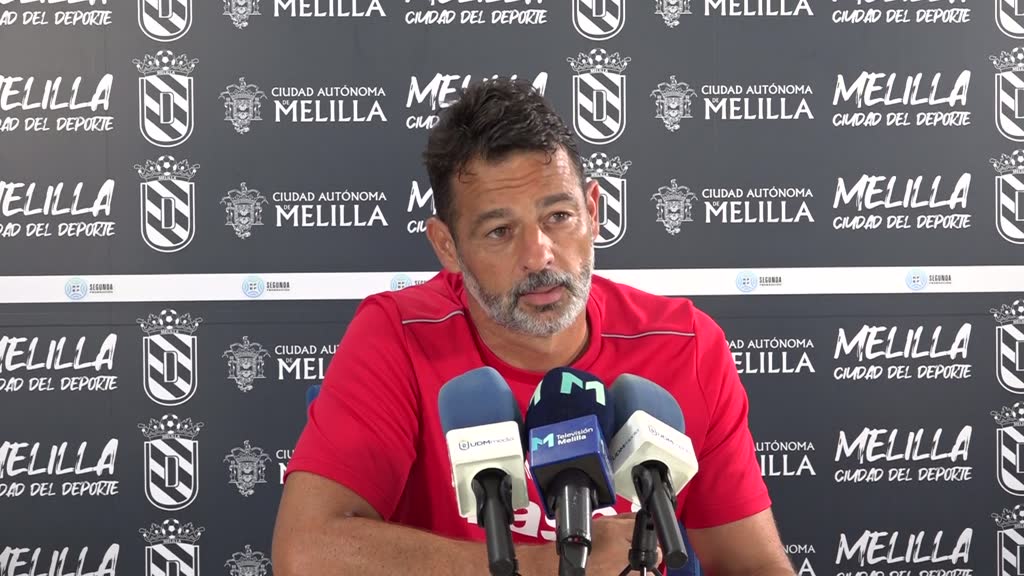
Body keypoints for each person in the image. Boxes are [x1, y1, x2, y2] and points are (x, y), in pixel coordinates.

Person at [272, 77, 795, 576]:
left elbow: (752, 564)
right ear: (447, 246)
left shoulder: (685, 344)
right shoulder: (400, 334)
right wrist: (556, 567)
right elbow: (307, 552)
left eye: (558, 217)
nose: (539, 254)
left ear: (593, 211)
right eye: (500, 231)